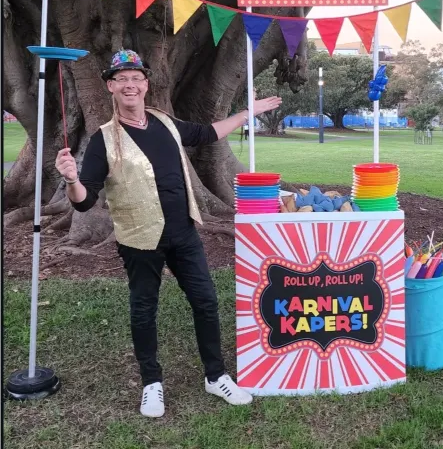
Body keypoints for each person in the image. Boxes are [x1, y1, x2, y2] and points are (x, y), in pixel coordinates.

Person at [54, 49, 281, 418]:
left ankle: (215, 376)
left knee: (206, 301)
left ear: (146, 84)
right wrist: (71, 180)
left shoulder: (164, 121)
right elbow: (84, 202)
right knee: (144, 310)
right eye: (121, 79)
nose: (130, 85)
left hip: (183, 232)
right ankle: (152, 384)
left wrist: (248, 113)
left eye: (136, 78)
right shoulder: (103, 140)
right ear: (111, 87)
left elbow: (207, 133)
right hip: (139, 239)